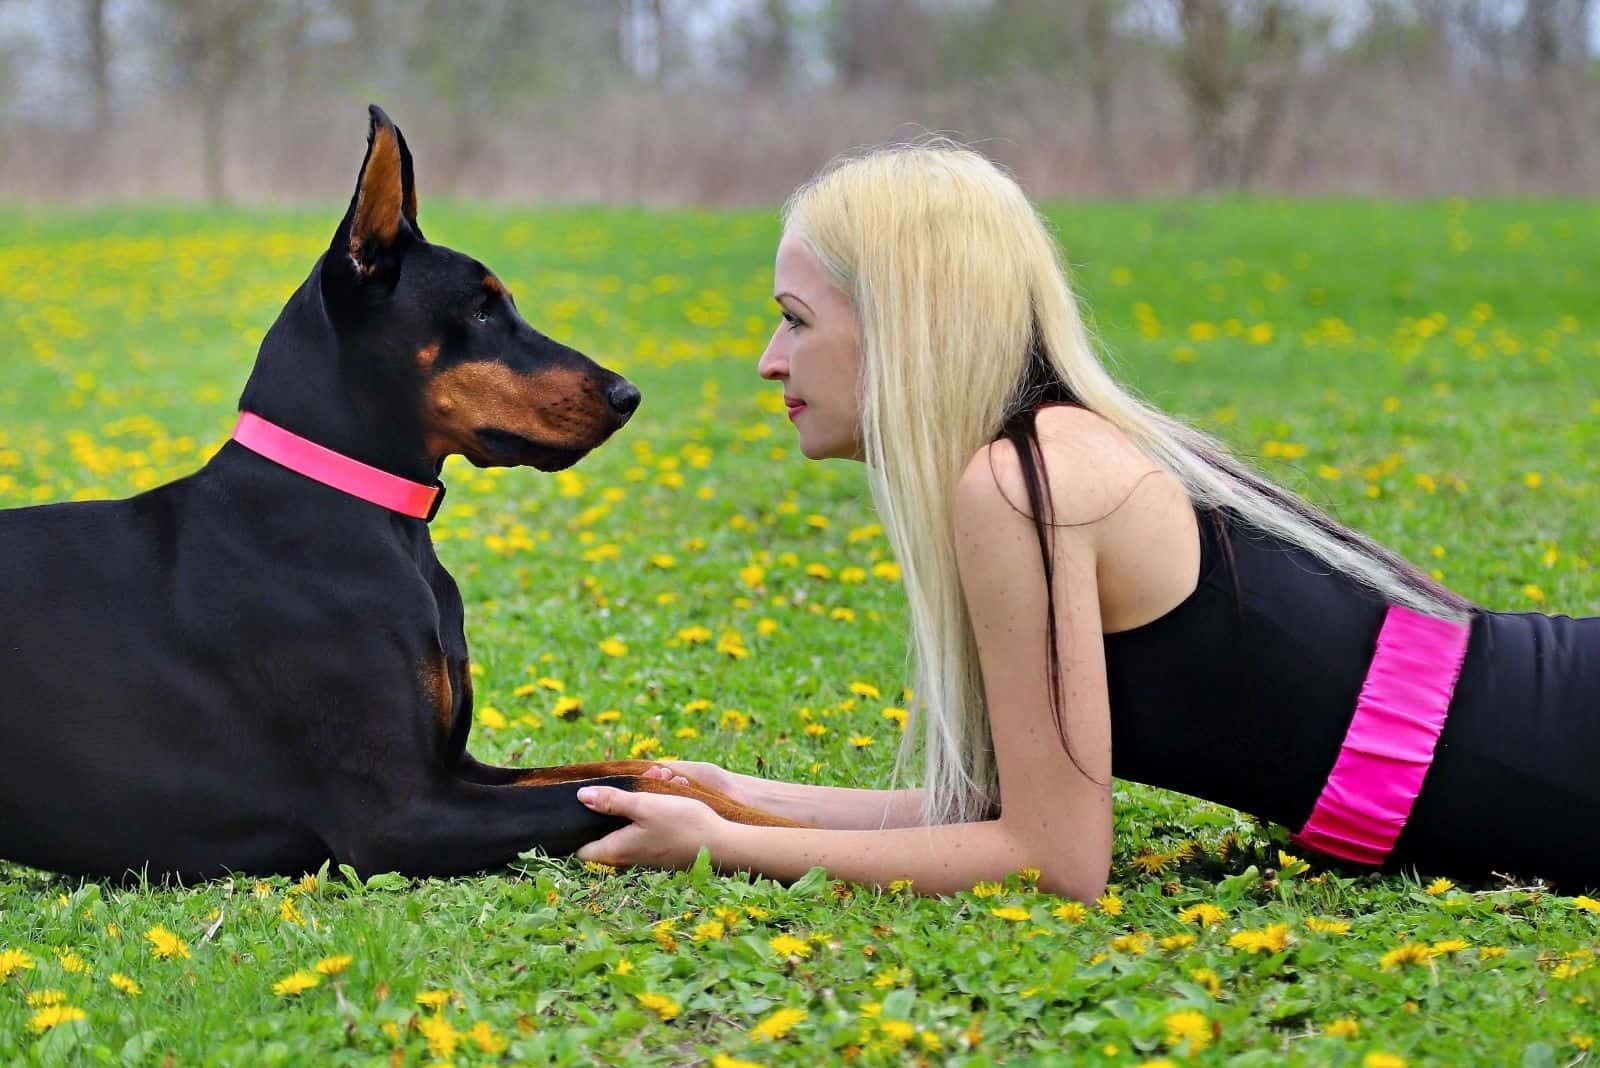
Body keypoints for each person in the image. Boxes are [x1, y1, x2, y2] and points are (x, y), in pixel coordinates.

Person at [574, 143, 1600, 898]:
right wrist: (730, 797)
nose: (768, 358)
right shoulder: (1039, 458)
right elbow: (994, 814)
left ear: (905, 324)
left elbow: (1051, 862)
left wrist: (719, 845)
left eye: (796, 319)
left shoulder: (1025, 483)